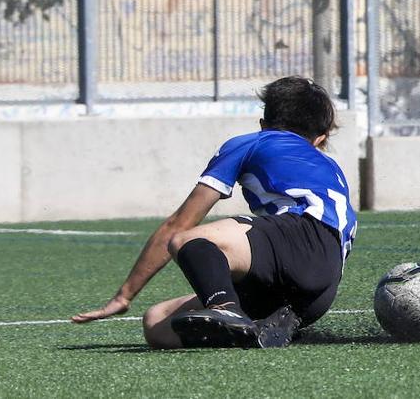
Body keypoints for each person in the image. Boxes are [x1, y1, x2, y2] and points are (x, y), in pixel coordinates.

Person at [72, 76, 357, 348]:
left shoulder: (252, 143)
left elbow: (178, 224)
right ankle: (256, 329)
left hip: (300, 243)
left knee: (188, 240)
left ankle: (226, 308)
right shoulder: (330, 168)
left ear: (262, 124)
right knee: (158, 323)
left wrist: (123, 296)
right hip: (318, 291)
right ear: (320, 139)